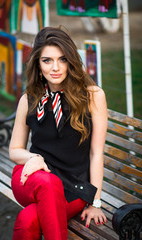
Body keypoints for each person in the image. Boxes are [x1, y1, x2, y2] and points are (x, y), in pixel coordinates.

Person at [9, 26, 108, 240]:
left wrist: (96, 203)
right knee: (47, 181)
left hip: (73, 188)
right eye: (47, 60)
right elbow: (15, 150)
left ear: (71, 61)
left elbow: (96, 153)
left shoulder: (93, 96)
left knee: (27, 220)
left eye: (62, 59)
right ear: (37, 63)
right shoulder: (29, 99)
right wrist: (34, 158)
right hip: (32, 179)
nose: (55, 67)